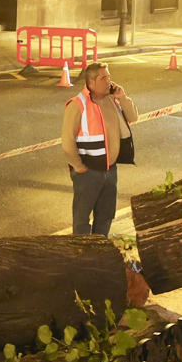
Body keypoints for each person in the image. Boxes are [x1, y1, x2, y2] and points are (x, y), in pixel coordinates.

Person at [60, 61, 138, 237]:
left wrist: (123, 98)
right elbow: (67, 141)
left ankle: (100, 251)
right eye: (104, 78)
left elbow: (133, 117)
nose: (109, 81)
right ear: (92, 82)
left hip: (110, 169)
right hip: (88, 171)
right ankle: (83, 255)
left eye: (109, 76)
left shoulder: (113, 100)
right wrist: (78, 167)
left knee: (105, 216)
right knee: (82, 219)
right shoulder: (78, 105)